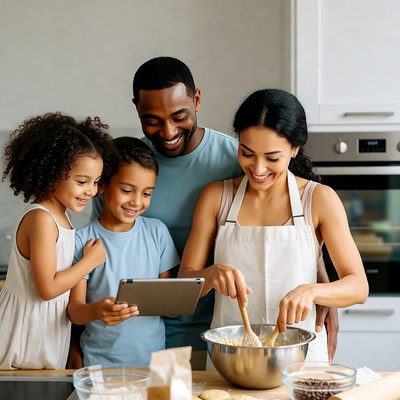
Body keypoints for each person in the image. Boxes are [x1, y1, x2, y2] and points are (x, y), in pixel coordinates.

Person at [91, 57, 338, 368]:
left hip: (216, 331)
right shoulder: (121, 168)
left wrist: (320, 285)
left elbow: (286, 222)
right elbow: (95, 259)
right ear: (136, 108)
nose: (167, 131)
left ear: (197, 100)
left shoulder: (238, 160)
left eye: (179, 116)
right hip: (131, 335)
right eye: (152, 120)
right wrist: (77, 337)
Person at [178, 88, 369, 362]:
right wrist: (209, 275)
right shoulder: (216, 198)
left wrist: (312, 291)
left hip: (302, 359)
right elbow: (185, 284)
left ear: (294, 149)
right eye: (247, 153)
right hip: (231, 358)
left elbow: (358, 287)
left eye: (272, 158)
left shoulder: (318, 199)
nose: (257, 168)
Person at [0, 112, 114, 369]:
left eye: (95, 182)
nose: (91, 191)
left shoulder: (63, 219)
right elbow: (48, 289)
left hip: (46, 335)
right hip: (22, 336)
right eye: (82, 181)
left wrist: (72, 347)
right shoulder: (41, 219)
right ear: (51, 173)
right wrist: (90, 261)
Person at [67, 137, 180, 366]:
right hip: (99, 365)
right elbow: (74, 311)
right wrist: (98, 311)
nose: (136, 202)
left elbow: (167, 304)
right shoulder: (81, 241)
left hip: (153, 365)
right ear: (103, 185)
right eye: (127, 190)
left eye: (147, 193)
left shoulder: (157, 233)